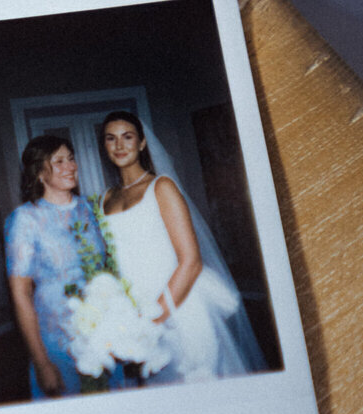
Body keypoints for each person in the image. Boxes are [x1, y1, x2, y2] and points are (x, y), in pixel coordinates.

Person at [99, 112, 263, 383]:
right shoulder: (105, 198)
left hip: (179, 302)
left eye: (127, 137)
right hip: (135, 307)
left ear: (141, 143)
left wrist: (150, 322)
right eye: (111, 139)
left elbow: (191, 262)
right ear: (104, 147)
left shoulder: (161, 187)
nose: (119, 146)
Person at [4, 135, 106, 399]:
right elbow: (20, 293)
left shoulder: (91, 209)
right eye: (58, 161)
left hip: (103, 328)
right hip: (57, 337)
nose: (70, 166)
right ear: (39, 172)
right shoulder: (25, 219)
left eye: (71, 159)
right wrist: (41, 361)